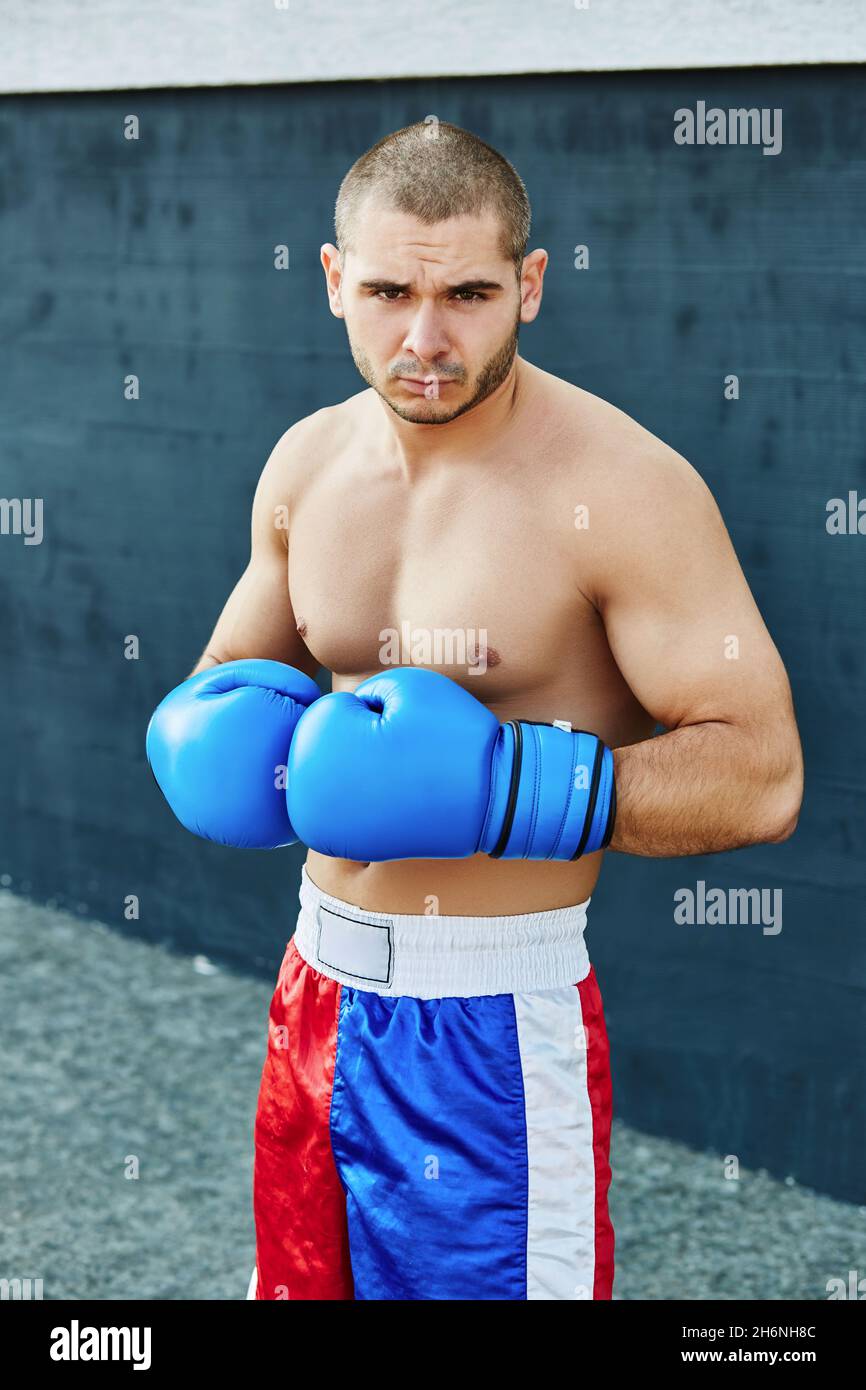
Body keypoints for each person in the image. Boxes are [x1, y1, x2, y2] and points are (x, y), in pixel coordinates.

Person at [146, 122, 803, 1300]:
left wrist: (505, 788)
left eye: (468, 294)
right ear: (335, 277)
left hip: (493, 1023)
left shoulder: (621, 486)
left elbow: (759, 776)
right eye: (390, 289)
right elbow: (226, 675)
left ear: (530, 287)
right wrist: (212, 734)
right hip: (313, 998)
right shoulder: (303, 466)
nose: (425, 338)